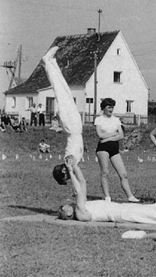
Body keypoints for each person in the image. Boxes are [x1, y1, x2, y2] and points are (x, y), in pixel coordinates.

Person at [43, 46, 86, 202]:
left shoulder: (69, 160)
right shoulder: (71, 162)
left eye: (67, 176)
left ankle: (48, 62)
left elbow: (73, 169)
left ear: (63, 170)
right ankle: (51, 62)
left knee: (61, 92)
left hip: (72, 126)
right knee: (65, 91)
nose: (70, 175)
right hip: (74, 127)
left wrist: (73, 182)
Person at [94, 98, 139, 203]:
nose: (111, 109)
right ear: (104, 108)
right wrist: (114, 133)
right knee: (105, 172)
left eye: (112, 107)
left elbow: (121, 135)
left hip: (114, 147)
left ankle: (130, 196)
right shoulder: (99, 119)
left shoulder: (116, 120)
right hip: (102, 148)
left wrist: (108, 137)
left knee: (123, 174)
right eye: (109, 107)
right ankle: (107, 197)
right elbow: (100, 134)